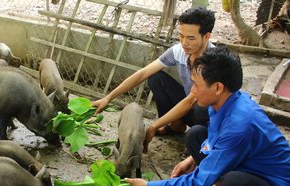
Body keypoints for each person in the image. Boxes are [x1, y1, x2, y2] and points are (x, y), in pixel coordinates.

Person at [123, 46, 290, 186]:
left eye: (196, 85)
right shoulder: (224, 103)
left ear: (217, 87)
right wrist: (192, 158)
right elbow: (214, 139)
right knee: (196, 135)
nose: (192, 90)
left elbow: (197, 183)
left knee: (235, 181)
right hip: (252, 169)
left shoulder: (240, 124)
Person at [92, 7, 216, 149]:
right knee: (156, 78)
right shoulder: (178, 51)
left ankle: (202, 140)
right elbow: (143, 73)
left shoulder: (214, 61)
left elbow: (190, 101)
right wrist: (108, 98)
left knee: (199, 117)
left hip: (206, 114)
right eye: (181, 36)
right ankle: (174, 126)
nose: (184, 43)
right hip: (190, 104)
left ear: (206, 36)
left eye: (190, 38)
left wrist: (153, 127)